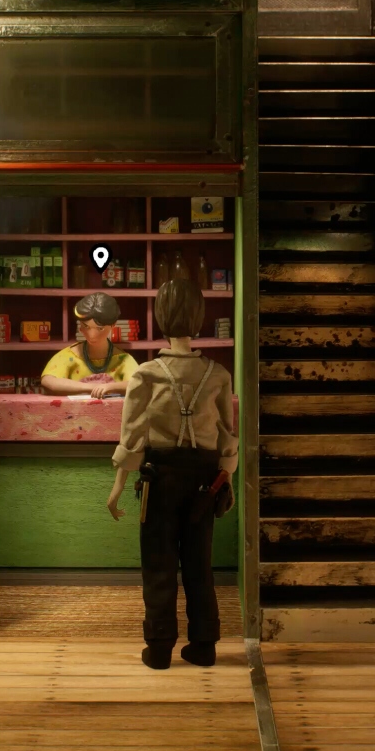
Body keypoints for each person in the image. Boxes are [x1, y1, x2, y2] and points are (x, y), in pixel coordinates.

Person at [106, 280, 238, 670]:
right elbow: (227, 435)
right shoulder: (218, 374)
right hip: (204, 479)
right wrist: (226, 478)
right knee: (199, 563)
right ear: (199, 318)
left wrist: (117, 486)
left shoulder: (146, 374)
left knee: (159, 562)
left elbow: (132, 435)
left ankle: (160, 646)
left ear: (160, 318)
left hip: (160, 478)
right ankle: (204, 644)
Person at [40, 292, 138, 398]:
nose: (92, 335)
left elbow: (138, 382)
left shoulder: (122, 359)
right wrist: (93, 387)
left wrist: (110, 387)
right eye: (86, 326)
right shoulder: (70, 355)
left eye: (100, 328)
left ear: (113, 325)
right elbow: (48, 381)